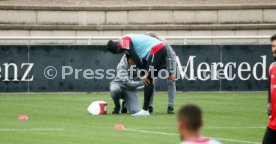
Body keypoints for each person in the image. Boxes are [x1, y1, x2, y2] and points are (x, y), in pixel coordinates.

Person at [106, 34, 175, 116]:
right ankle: (147, 108)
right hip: (154, 51)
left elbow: (135, 56)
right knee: (149, 79)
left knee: (148, 79)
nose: (120, 53)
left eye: (118, 52)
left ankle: (145, 110)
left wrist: (143, 73)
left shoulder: (123, 41)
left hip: (156, 50)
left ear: (117, 48)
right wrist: (144, 72)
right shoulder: (125, 43)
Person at [147, 32, 177, 114]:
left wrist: (171, 72)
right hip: (156, 61)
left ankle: (171, 106)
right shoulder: (147, 44)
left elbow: (170, 57)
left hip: (168, 60)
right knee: (151, 81)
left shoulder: (163, 43)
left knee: (171, 81)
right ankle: (149, 106)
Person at [262, 34, 276, 144]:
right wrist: (269, 103)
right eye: (272, 46)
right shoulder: (272, 68)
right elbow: (270, 89)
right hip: (273, 124)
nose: (274, 49)